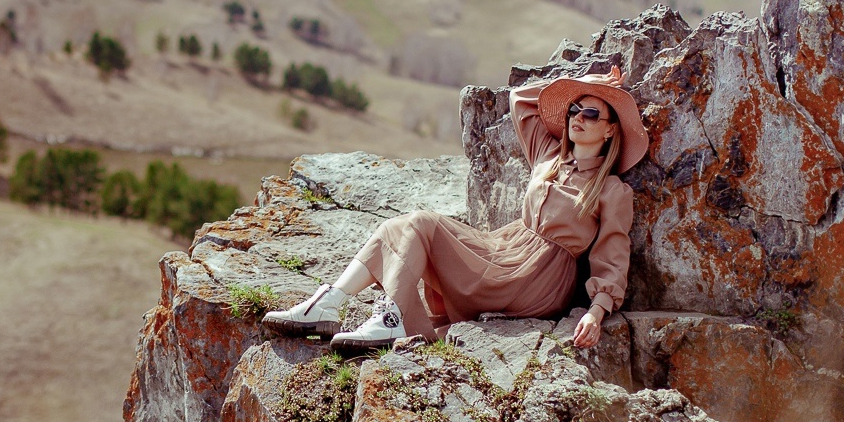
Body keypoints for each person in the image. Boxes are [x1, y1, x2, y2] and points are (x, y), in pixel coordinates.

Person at [262, 66, 647, 351]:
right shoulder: (548, 155)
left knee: (421, 224)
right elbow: (523, 100)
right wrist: (586, 81)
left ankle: (389, 317)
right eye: (574, 109)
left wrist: (595, 312)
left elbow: (612, 259)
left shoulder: (612, 190)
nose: (578, 118)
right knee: (402, 226)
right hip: (505, 249)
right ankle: (329, 303)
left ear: (611, 129)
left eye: (591, 113)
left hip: (539, 279)